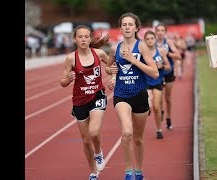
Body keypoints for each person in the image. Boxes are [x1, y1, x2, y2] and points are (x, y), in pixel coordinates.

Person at [106, 12, 159, 180]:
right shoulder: (116, 48)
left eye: (130, 24)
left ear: (136, 28)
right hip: (121, 94)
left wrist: (134, 60)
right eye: (124, 24)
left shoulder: (141, 46)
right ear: (120, 28)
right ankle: (129, 173)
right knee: (127, 132)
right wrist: (112, 72)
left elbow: (155, 73)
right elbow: (108, 67)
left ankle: (139, 171)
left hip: (140, 94)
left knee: (138, 139)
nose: (127, 27)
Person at [60, 25, 110, 180]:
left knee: (94, 132)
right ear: (75, 39)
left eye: (86, 36)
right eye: (80, 36)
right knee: (86, 140)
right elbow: (62, 81)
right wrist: (68, 79)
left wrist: (112, 74)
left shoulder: (99, 53)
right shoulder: (71, 58)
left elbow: (110, 67)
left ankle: (98, 153)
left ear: (90, 38)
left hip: (97, 96)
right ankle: (93, 171)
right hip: (80, 101)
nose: (83, 39)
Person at [143, 30, 171, 139]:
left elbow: (169, 67)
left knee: (156, 107)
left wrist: (162, 66)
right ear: (145, 41)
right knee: (148, 103)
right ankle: (147, 107)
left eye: (152, 38)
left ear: (155, 40)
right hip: (146, 82)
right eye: (147, 39)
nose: (150, 40)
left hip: (158, 82)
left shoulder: (161, 51)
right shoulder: (143, 53)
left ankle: (159, 129)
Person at [155, 23, 182, 130]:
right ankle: (161, 111)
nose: (160, 33)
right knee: (159, 96)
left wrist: (167, 54)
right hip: (158, 73)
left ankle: (169, 117)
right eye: (158, 30)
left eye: (162, 30)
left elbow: (179, 56)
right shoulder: (152, 43)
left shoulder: (169, 42)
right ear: (156, 32)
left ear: (165, 32)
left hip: (168, 72)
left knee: (168, 98)